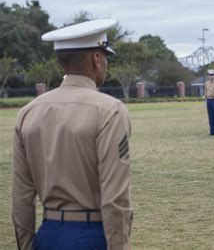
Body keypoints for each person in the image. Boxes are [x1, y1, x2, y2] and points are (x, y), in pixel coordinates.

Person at [12, 19, 133, 249]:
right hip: (93, 235)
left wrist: (27, 245)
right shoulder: (110, 110)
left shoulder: (28, 112)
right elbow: (115, 198)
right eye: (104, 56)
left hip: (47, 234)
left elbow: (21, 198)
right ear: (96, 59)